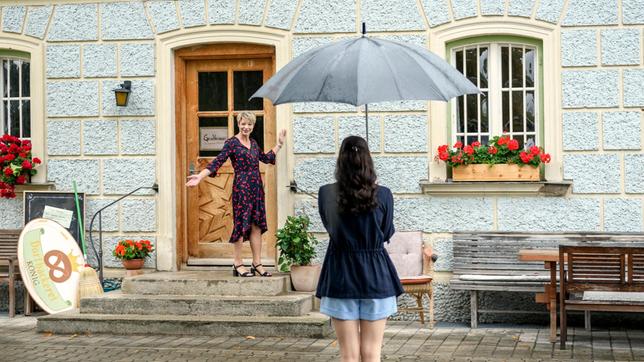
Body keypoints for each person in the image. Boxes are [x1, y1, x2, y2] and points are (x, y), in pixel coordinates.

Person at [316, 136, 403, 362]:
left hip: (340, 274)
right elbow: (386, 233)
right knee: (372, 354)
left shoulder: (326, 193)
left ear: (340, 161)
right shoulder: (383, 194)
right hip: (376, 275)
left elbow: (329, 226)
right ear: (367, 160)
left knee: (349, 355)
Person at [186, 111, 286, 278]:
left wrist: (279, 145)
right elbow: (217, 161)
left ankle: (257, 263)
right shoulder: (231, 143)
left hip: (256, 189)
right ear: (238, 123)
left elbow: (266, 158)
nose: (246, 127)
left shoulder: (253, 143)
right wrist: (200, 176)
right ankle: (238, 263)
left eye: (249, 124)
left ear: (253, 126)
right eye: (243, 123)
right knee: (241, 225)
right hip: (242, 188)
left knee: (256, 226)